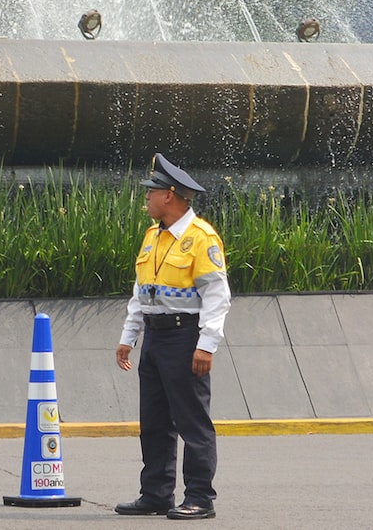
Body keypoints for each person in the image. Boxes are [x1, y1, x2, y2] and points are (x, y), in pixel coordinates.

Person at [114, 153, 231, 520]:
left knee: (192, 422)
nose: (146, 198)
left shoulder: (201, 238)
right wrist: (128, 336)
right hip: (154, 337)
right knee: (154, 422)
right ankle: (156, 494)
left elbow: (217, 295)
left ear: (171, 195)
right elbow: (141, 291)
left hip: (184, 337)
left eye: (152, 192)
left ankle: (200, 497)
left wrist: (206, 345)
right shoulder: (153, 236)